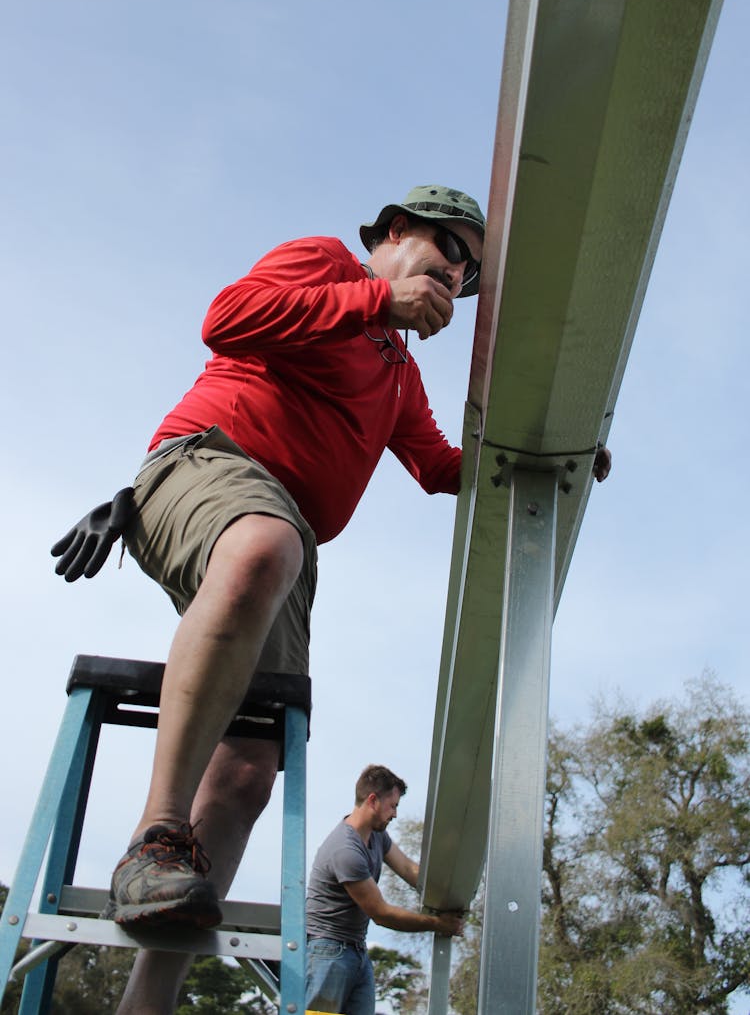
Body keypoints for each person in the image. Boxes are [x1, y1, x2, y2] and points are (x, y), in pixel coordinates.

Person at [49, 184, 609, 1014]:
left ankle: (148, 998)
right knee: (264, 545)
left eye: (472, 274)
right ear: (396, 232)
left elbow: (438, 467)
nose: (459, 276)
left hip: (285, 539)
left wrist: (552, 451)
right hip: (207, 466)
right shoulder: (326, 263)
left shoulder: (400, 376)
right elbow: (228, 318)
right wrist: (376, 298)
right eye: (452, 253)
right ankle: (157, 832)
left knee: (246, 769)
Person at [305, 764, 463, 1015]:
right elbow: (381, 913)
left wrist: (453, 891)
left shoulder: (377, 836)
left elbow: (409, 869)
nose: (396, 814)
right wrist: (437, 923)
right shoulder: (345, 850)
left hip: (356, 949)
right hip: (328, 950)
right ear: (372, 800)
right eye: (393, 805)